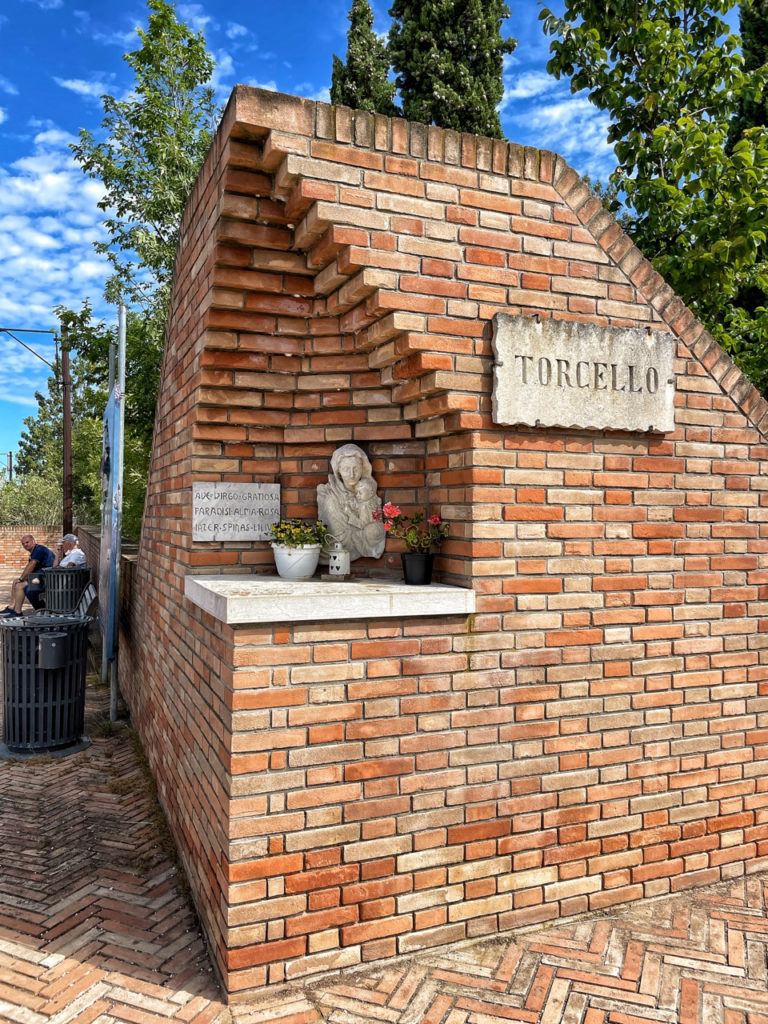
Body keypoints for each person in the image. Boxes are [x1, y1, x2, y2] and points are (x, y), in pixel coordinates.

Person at [317, 443, 386, 562]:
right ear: (338, 471)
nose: (352, 474)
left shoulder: (369, 491)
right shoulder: (329, 494)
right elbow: (332, 531)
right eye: (346, 469)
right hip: (339, 542)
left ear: (363, 468)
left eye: (356, 468)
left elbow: (373, 521)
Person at [1, 534, 55, 617]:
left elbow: (31, 565)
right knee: (16, 581)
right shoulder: (34, 551)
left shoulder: (39, 549)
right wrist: (21, 578)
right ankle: (11, 607)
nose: (25, 545)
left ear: (33, 541)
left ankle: (18, 612)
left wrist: (22, 578)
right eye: (23, 544)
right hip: (40, 576)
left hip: (48, 578)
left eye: (27, 542)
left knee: (20, 585)